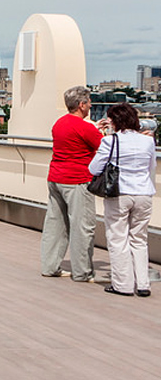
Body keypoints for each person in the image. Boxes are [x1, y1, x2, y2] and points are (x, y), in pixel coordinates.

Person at [89, 103, 155, 297]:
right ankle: (143, 284)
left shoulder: (110, 141)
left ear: (115, 122)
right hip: (144, 193)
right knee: (140, 239)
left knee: (118, 239)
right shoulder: (148, 142)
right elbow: (151, 166)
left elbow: (93, 169)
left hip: (119, 193)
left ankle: (123, 284)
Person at [41, 86, 104, 282]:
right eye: (89, 103)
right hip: (77, 180)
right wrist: (97, 131)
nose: (91, 106)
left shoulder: (59, 124)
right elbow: (104, 147)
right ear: (81, 105)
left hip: (55, 178)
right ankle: (82, 271)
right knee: (82, 226)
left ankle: (50, 266)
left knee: (55, 224)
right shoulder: (85, 127)